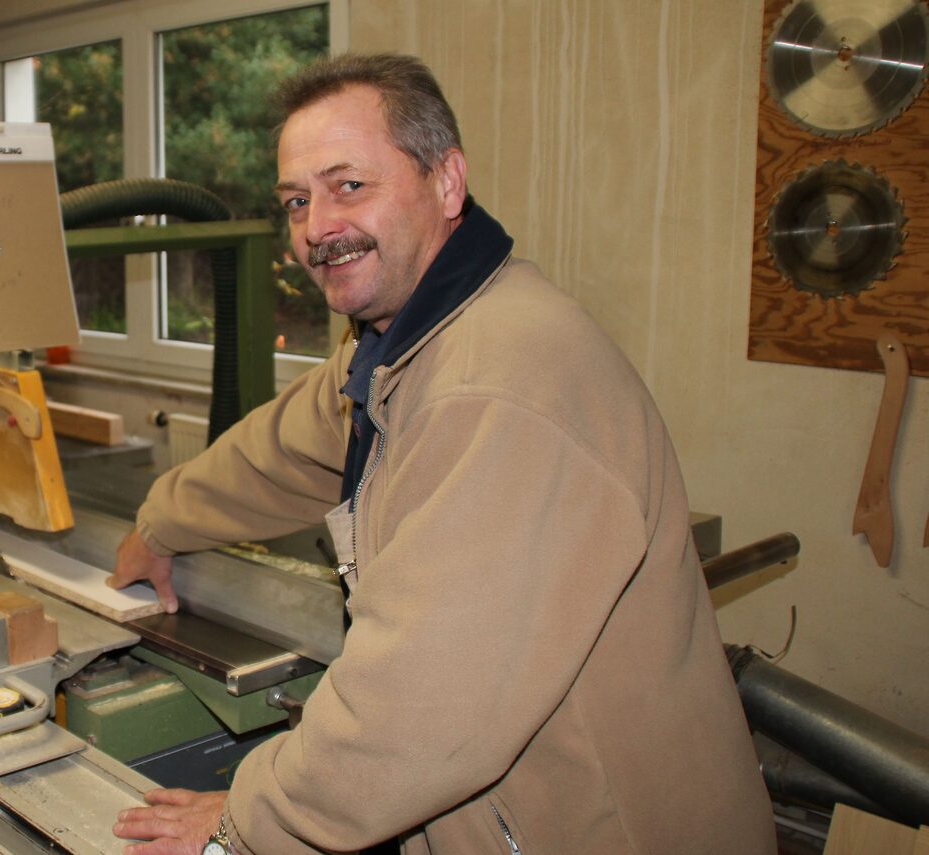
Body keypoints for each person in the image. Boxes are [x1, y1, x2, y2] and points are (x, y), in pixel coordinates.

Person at [109, 54, 775, 855]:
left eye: (348, 185)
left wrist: (244, 815)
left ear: (447, 183)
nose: (317, 225)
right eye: (296, 200)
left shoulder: (497, 382)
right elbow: (283, 447)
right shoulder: (406, 345)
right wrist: (161, 522)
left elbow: (414, 716)